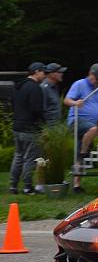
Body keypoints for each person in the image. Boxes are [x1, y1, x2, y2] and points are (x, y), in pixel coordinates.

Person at [64, 63, 98, 193]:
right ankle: (84, 150)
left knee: (80, 157)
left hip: (91, 124)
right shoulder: (79, 84)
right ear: (90, 74)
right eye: (96, 79)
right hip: (77, 121)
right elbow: (66, 100)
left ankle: (76, 185)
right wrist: (75, 103)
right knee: (91, 131)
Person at [9, 62, 46, 195]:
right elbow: (37, 109)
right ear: (36, 71)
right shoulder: (35, 88)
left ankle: (13, 185)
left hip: (17, 126)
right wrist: (42, 125)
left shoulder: (18, 86)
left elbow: (13, 104)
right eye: (43, 72)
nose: (44, 75)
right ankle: (27, 186)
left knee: (18, 156)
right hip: (30, 128)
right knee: (30, 158)